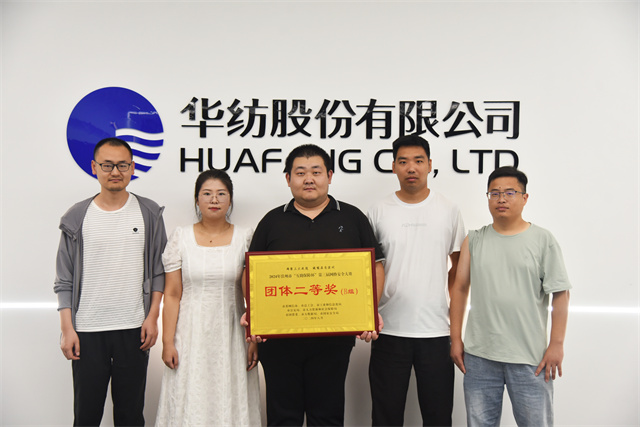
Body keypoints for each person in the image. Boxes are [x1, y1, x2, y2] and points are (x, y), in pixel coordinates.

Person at [244, 144, 385, 426]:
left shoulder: (352, 217)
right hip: (279, 340)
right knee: (283, 417)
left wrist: (369, 312)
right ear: (288, 179)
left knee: (327, 416)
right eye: (300, 173)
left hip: (332, 340)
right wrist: (255, 315)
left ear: (329, 176)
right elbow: (251, 272)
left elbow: (375, 267)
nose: (309, 179)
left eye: (316, 172)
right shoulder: (272, 221)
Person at [54, 137, 167, 426]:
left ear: (133, 168)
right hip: (87, 330)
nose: (115, 172)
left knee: (131, 415)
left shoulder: (149, 213)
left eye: (122, 165)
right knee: (86, 415)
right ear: (94, 167)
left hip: (134, 328)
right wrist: (67, 329)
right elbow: (64, 279)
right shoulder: (76, 217)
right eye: (107, 165)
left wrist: (152, 317)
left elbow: (158, 271)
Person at [450, 166, 571, 427]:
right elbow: (459, 288)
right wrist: (455, 338)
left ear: (524, 198)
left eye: (509, 193)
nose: (501, 199)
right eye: (494, 193)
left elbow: (560, 294)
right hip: (480, 356)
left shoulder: (543, 240)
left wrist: (557, 343)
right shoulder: (474, 240)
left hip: (530, 357)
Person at [367, 134, 466, 426]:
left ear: (430, 165)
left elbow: (459, 272)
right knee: (385, 417)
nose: (411, 168)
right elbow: (367, 270)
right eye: (403, 161)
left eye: (419, 161)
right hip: (388, 329)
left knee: (438, 417)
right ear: (393, 167)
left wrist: (455, 331)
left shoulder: (449, 209)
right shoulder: (378, 210)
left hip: (435, 331)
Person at [155, 169, 260, 426]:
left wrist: (254, 339)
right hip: (189, 333)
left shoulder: (245, 238)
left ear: (230, 200)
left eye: (221, 194)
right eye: (207, 194)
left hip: (232, 332)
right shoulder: (181, 237)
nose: (214, 200)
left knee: (230, 393)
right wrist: (168, 342)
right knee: (191, 394)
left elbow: (254, 295)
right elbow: (172, 294)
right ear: (197, 199)